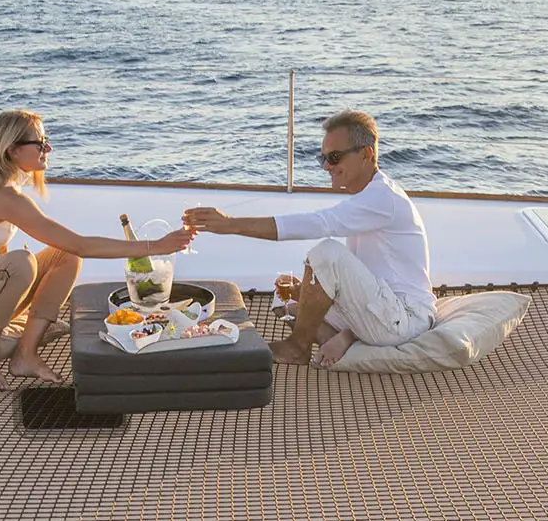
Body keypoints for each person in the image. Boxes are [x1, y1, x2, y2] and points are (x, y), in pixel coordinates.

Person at [0, 109, 193, 389]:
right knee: (23, 261)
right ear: (13, 150)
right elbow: (81, 243)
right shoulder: (1, 196)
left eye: (46, 140)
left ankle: (25, 354)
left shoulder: (1, 186)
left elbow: (5, 253)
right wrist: (155, 246)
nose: (48, 148)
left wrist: (13, 303)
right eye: (39, 143)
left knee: (65, 256)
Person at [185, 110, 433, 367]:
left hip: (405, 318)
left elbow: (319, 223)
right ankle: (344, 339)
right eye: (323, 158)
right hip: (382, 307)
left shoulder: (382, 198)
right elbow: (364, 275)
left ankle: (298, 347)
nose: (327, 166)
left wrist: (230, 224)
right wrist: (308, 291)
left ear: (366, 154)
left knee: (326, 252)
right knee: (290, 305)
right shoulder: (367, 198)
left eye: (334, 157)